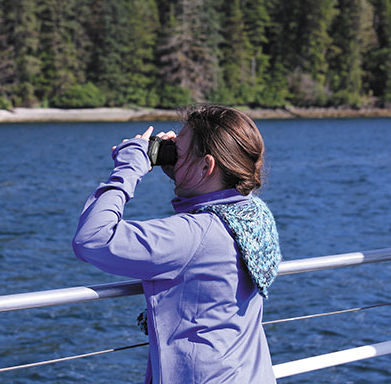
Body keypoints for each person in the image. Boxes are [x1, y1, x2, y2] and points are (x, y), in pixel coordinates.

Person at [72, 105, 281, 383]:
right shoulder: (254, 217)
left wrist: (130, 168)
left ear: (207, 166)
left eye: (178, 152)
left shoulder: (195, 235)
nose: (171, 154)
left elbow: (93, 238)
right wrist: (184, 168)